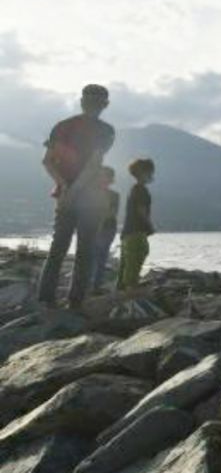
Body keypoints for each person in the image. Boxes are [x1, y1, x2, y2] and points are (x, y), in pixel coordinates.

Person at [35, 84, 116, 310]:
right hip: (91, 198)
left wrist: (64, 187)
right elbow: (92, 165)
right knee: (85, 249)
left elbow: (47, 162)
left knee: (58, 248)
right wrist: (75, 191)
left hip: (65, 195)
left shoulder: (62, 126)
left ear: (82, 101)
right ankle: (76, 302)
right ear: (105, 105)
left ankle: (45, 300)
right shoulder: (106, 131)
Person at [116, 158, 155, 291]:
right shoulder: (140, 190)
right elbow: (141, 210)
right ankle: (131, 286)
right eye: (150, 173)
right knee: (138, 254)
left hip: (128, 231)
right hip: (136, 230)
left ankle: (122, 286)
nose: (152, 176)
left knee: (127, 259)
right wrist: (149, 225)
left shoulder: (134, 189)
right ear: (143, 173)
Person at [90, 165, 120, 294]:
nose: (104, 179)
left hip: (107, 228)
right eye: (102, 176)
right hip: (94, 228)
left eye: (107, 176)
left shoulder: (114, 195)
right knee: (93, 258)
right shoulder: (91, 193)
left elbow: (112, 212)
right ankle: (91, 286)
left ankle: (96, 286)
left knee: (101, 258)